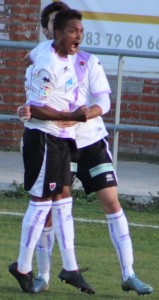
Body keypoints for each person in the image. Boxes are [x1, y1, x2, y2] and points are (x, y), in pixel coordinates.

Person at [18, 1, 153, 296]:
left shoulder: (88, 61)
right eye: (60, 27)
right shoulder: (42, 59)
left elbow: (104, 102)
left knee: (112, 202)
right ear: (47, 30)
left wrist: (85, 115)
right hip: (58, 142)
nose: (74, 35)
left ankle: (129, 274)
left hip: (90, 141)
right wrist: (27, 109)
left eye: (77, 29)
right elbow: (34, 97)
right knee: (51, 209)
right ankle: (43, 275)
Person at [8, 8, 95, 295]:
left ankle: (69, 267)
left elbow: (27, 58)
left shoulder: (49, 51)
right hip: (44, 139)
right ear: (58, 33)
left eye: (80, 31)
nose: (78, 36)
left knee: (63, 201)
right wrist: (74, 117)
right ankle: (22, 266)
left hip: (61, 139)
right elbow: (37, 108)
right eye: (73, 31)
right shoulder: (48, 62)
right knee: (41, 203)